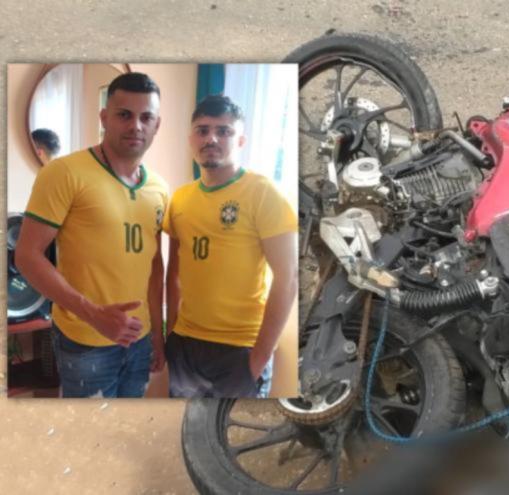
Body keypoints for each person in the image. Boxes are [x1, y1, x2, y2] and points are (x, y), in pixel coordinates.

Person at [15, 72, 168, 398]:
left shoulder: (159, 188)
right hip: (85, 342)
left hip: (140, 339)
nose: (136, 126)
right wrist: (93, 314)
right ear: (104, 117)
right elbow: (27, 255)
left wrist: (158, 331)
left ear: (157, 125)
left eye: (146, 117)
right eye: (124, 114)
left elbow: (154, 265)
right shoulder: (63, 173)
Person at [163, 94, 297, 398]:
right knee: (186, 424)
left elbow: (288, 279)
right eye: (203, 130)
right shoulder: (180, 199)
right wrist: (171, 333)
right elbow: (175, 273)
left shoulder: (263, 193)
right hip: (185, 345)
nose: (211, 138)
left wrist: (258, 360)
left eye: (223, 131)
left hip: (240, 348)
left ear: (240, 141)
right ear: (191, 139)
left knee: (234, 427)